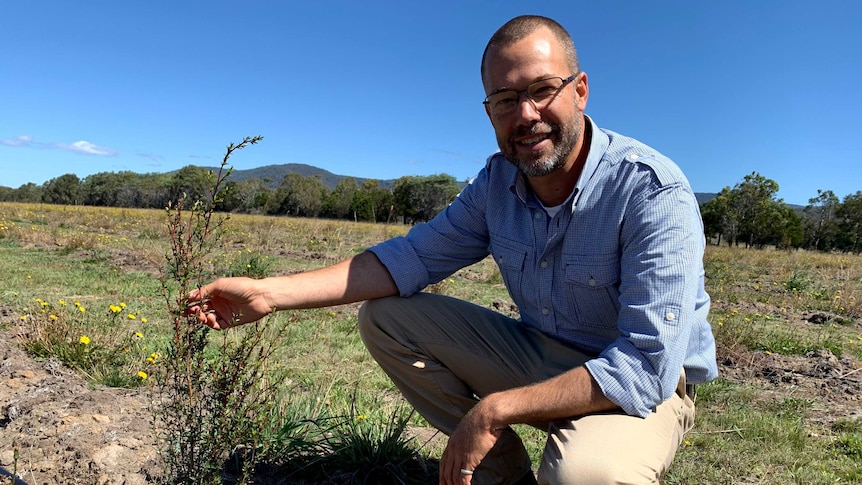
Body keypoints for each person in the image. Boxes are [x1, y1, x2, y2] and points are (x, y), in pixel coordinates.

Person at [187, 14, 718, 485]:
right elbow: (409, 260)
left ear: (580, 90)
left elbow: (644, 365)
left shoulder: (651, 191)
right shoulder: (497, 184)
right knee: (388, 317)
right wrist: (268, 293)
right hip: (544, 353)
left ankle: (524, 444)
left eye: (542, 90)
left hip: (639, 385)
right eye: (506, 100)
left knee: (586, 477)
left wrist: (494, 410)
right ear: (489, 113)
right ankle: (498, 475)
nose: (526, 114)